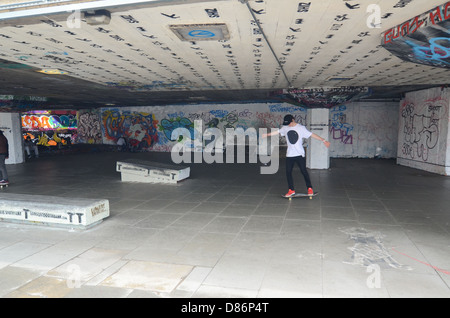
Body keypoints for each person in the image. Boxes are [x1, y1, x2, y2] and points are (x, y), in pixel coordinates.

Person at [263, 114, 330, 197]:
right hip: (290, 154)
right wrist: (266, 135)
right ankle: (291, 190)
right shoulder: (285, 128)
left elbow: (312, 135)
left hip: (299, 154)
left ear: (293, 120)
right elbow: (277, 132)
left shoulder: (301, 128)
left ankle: (310, 189)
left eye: (290, 123)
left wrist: (323, 140)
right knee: (288, 172)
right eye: (287, 124)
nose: (289, 125)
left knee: (303, 171)